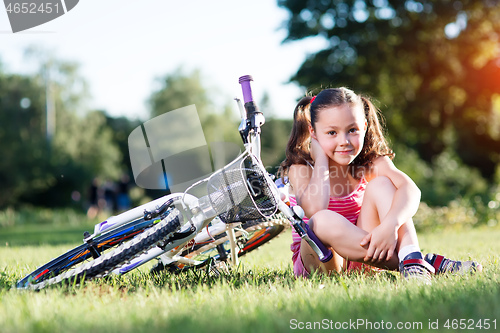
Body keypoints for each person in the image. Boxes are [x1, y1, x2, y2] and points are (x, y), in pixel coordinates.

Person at [278, 87, 481, 282]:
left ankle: (411, 257)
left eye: (352, 130)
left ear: (364, 127)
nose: (344, 141)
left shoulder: (370, 163)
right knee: (321, 220)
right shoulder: (302, 168)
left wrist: (390, 225)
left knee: (382, 184)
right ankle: (416, 262)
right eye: (332, 133)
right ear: (313, 132)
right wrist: (320, 157)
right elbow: (315, 210)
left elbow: (411, 190)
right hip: (321, 262)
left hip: (363, 260)